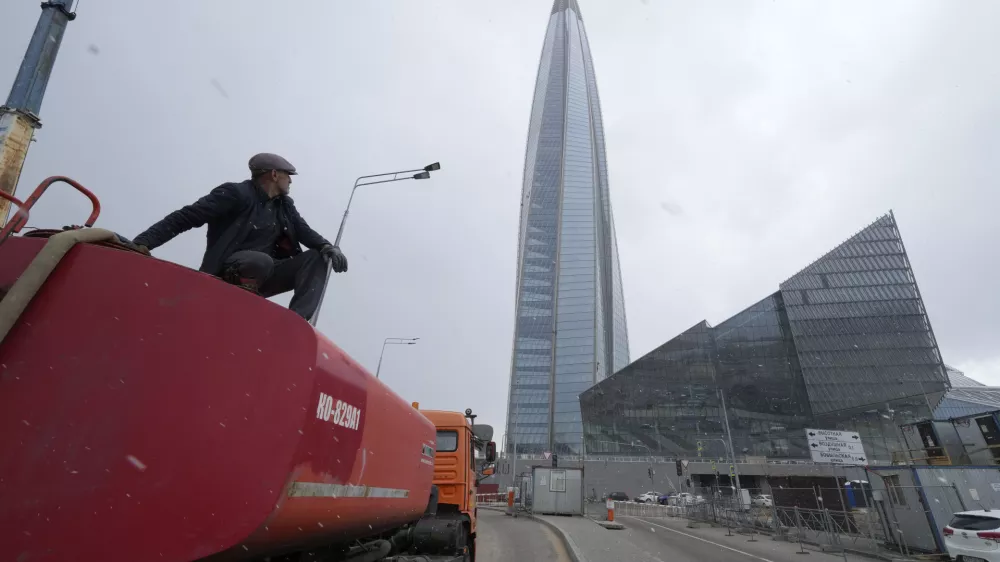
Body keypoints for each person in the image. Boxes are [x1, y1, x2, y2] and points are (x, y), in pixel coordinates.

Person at [132, 153, 348, 322]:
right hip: (229, 271)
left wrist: (328, 247)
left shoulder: (285, 206)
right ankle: (237, 295)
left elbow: (304, 231)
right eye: (287, 175)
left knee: (317, 257)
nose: (290, 180)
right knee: (260, 261)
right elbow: (187, 217)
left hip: (265, 275)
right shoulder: (236, 194)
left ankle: (295, 322)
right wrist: (143, 242)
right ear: (274, 174)